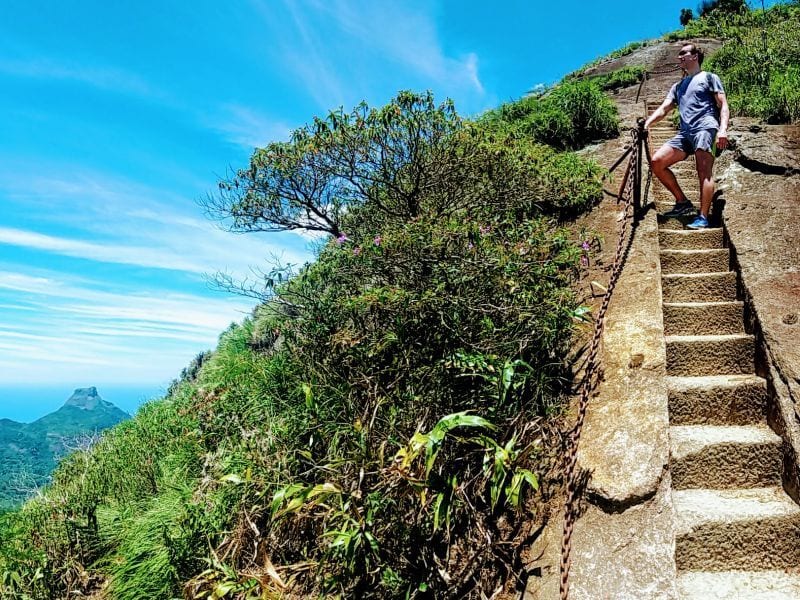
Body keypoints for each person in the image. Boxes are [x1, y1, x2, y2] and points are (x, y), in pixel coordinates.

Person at [644, 43, 730, 229]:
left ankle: (703, 217)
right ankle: (682, 202)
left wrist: (722, 130)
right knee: (657, 162)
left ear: (695, 56)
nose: (679, 57)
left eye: (684, 53)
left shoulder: (709, 77)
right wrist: (647, 123)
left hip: (705, 128)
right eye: (679, 54)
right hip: (685, 133)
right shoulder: (678, 86)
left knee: (703, 171)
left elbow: (723, 104)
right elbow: (664, 109)